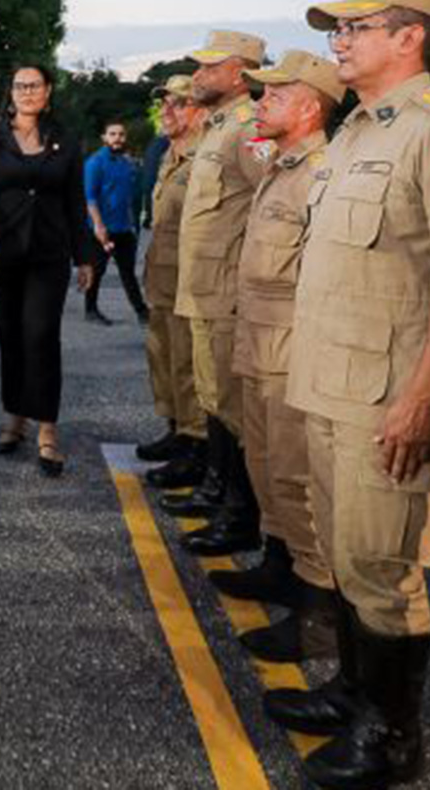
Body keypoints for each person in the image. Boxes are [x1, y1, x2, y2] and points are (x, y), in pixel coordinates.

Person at [266, 0, 430, 789]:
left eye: (354, 27)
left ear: (409, 37)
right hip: (331, 387)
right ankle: (353, 694)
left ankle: (394, 736)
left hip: (389, 397)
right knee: (347, 555)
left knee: (384, 568)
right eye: (335, 29)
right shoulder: (356, 135)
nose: (338, 41)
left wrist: (424, 395)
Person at [224, 50, 345, 664]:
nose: (260, 103)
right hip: (260, 344)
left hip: (293, 353)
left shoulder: (322, 173)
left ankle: (318, 617)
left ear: (309, 108)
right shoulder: (283, 167)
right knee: (266, 466)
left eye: (275, 95)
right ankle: (280, 568)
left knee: (298, 483)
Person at [153, 31, 269, 566]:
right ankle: (218, 491)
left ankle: (240, 513)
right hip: (204, 291)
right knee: (214, 398)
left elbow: (277, 203)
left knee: (232, 406)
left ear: (239, 74)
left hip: (228, 294)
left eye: (208, 67)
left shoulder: (250, 128)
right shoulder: (221, 127)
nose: (198, 75)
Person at [0, 63, 92, 476]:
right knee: (11, 337)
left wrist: (84, 256)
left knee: (40, 336)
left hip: (48, 255)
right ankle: (15, 417)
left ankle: (46, 429)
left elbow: (75, 201)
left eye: (34, 85)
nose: (26, 92)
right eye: (19, 85)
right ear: (11, 92)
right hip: (2, 255)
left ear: (48, 91)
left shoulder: (65, 139)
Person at [136, 75, 209, 470]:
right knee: (162, 357)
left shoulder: (207, 154)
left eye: (178, 103)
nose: (167, 111)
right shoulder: (168, 153)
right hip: (162, 278)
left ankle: (195, 442)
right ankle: (175, 426)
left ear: (201, 111)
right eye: (164, 103)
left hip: (189, 280)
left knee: (187, 362)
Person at [82, 120, 148, 325]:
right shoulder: (94, 163)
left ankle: (142, 312)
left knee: (128, 272)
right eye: (112, 134)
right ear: (104, 137)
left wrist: (134, 225)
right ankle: (90, 310)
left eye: (121, 134)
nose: (117, 138)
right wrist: (99, 226)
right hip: (101, 228)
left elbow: (130, 197)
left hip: (124, 228)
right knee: (96, 271)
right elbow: (90, 198)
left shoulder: (127, 164)